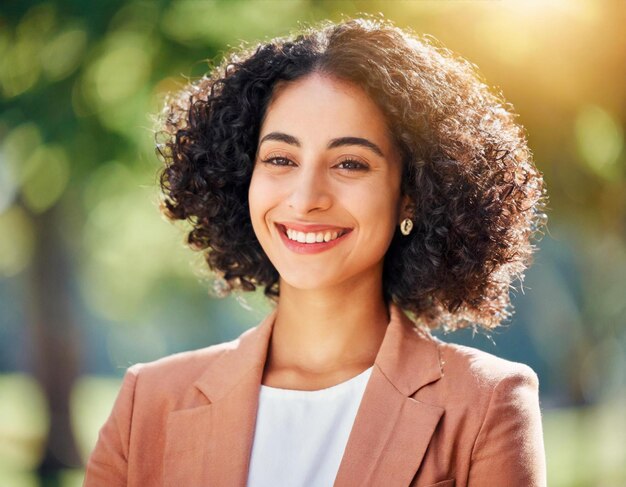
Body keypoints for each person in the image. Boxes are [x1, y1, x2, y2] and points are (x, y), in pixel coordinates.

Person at [84, 16, 548, 487]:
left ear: (411, 193)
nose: (306, 198)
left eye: (350, 163)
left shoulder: (487, 402)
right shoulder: (150, 400)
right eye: (281, 159)